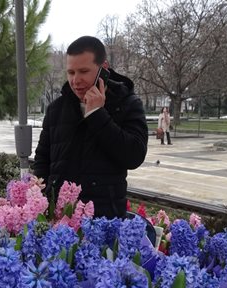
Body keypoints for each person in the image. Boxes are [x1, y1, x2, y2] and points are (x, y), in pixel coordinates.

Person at [32, 36, 148, 219]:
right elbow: (42, 159)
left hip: (104, 219)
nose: (75, 80)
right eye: (70, 72)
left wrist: (97, 115)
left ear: (104, 69)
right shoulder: (57, 108)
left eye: (83, 71)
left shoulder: (127, 103)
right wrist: (42, 201)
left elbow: (134, 156)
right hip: (60, 217)